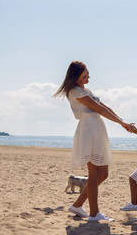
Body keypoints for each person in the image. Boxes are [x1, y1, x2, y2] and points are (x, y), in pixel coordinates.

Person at [54, 61, 132, 221]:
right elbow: (100, 110)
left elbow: (105, 107)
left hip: (97, 128)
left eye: (88, 73)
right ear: (76, 76)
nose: (88, 76)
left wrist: (122, 120)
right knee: (94, 173)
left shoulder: (86, 90)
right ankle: (94, 213)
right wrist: (121, 123)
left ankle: (77, 205)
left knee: (103, 173)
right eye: (85, 74)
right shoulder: (75, 91)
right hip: (89, 129)